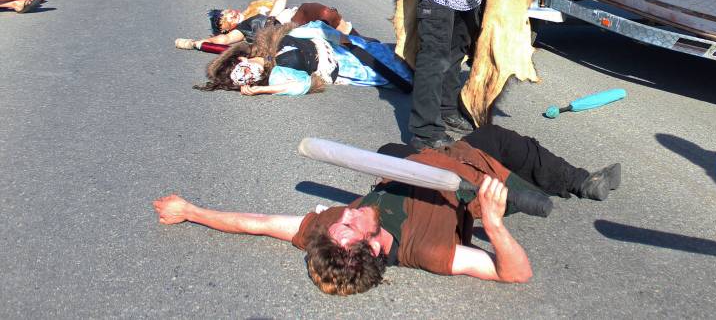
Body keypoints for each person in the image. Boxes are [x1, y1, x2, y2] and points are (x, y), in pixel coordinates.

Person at [153, 125, 621, 295]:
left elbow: (256, 225)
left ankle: (431, 147)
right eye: (352, 225)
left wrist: (191, 210)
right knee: (508, 143)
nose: (344, 216)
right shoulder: (432, 250)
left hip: (418, 162)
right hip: (477, 177)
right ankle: (580, 183)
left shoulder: (325, 232)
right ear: (376, 249)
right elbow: (515, 274)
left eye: (341, 222)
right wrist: (495, 223)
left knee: (389, 148)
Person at [195, 20, 412, 95]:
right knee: (403, 73)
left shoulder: (275, 40)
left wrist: (340, 37)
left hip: (343, 48)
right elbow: (303, 83)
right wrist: (263, 89)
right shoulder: (277, 75)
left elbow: (314, 29)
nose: (250, 76)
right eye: (247, 80)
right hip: (344, 67)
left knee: (401, 51)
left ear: (242, 60)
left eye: (243, 72)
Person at [175, 0, 348, 51]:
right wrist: (195, 43)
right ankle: (354, 43)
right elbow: (224, 40)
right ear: (228, 27)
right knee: (328, 36)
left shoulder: (254, 6)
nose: (232, 14)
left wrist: (272, 19)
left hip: (291, 17)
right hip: (281, 36)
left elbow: (281, 0)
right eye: (228, 19)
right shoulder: (245, 27)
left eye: (229, 11)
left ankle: (357, 40)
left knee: (327, 14)